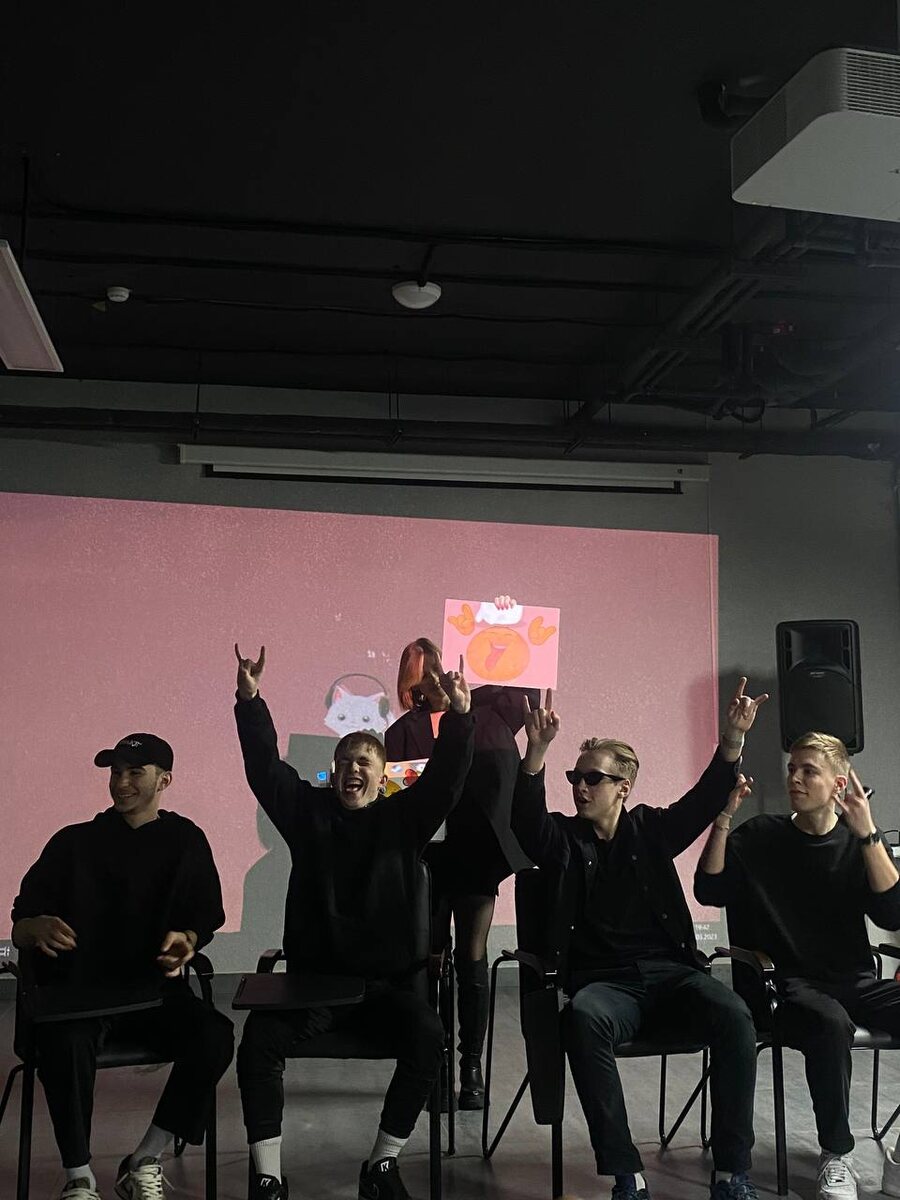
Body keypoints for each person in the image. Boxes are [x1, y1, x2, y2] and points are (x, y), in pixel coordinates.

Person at [233, 643, 475, 1200]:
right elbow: (265, 769)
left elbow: (447, 778)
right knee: (258, 1042)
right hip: (313, 990)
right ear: (333, 773)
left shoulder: (405, 818)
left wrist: (460, 717)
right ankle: (267, 1177)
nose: (352, 771)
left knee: (429, 1036)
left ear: (382, 774)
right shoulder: (307, 814)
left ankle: (382, 1165)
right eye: (343, 763)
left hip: (383, 991)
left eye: (364, 763)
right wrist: (250, 701)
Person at [511, 680, 767, 1200]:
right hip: (606, 986)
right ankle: (627, 1175)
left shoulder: (650, 830)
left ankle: (731, 1172)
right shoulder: (564, 839)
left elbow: (702, 802)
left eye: (593, 779)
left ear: (623, 787)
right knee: (583, 1018)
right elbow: (525, 825)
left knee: (735, 1015)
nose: (580, 787)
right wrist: (536, 753)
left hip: (671, 975)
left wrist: (732, 741)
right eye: (575, 778)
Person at [11, 732, 234, 1200]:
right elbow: (21, 924)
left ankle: (144, 1159)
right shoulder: (72, 843)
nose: (121, 782)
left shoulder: (185, 841)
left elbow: (203, 919)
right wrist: (33, 927)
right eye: (115, 772)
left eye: (134, 772)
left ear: (164, 780)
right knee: (63, 1041)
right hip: (79, 998)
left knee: (215, 1036)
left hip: (154, 995)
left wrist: (188, 941)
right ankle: (79, 1177)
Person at [694, 731, 900, 1200]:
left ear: (839, 784)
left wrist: (868, 832)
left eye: (809, 771)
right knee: (830, 1022)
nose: (795, 779)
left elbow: (892, 915)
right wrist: (723, 820)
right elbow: (709, 890)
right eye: (792, 769)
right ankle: (837, 1154)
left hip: (853, 980)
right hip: (784, 986)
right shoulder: (759, 835)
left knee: (842, 1010)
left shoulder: (858, 841)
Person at [384, 620, 536, 1109]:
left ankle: (471, 1068)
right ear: (409, 683)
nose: (429, 679)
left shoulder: (490, 712)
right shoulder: (400, 732)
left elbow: (528, 686)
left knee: (472, 955)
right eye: (419, 673)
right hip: (426, 858)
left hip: (478, 851)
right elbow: (397, 798)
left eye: (434, 667)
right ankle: (434, 1063)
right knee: (430, 958)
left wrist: (501, 624)